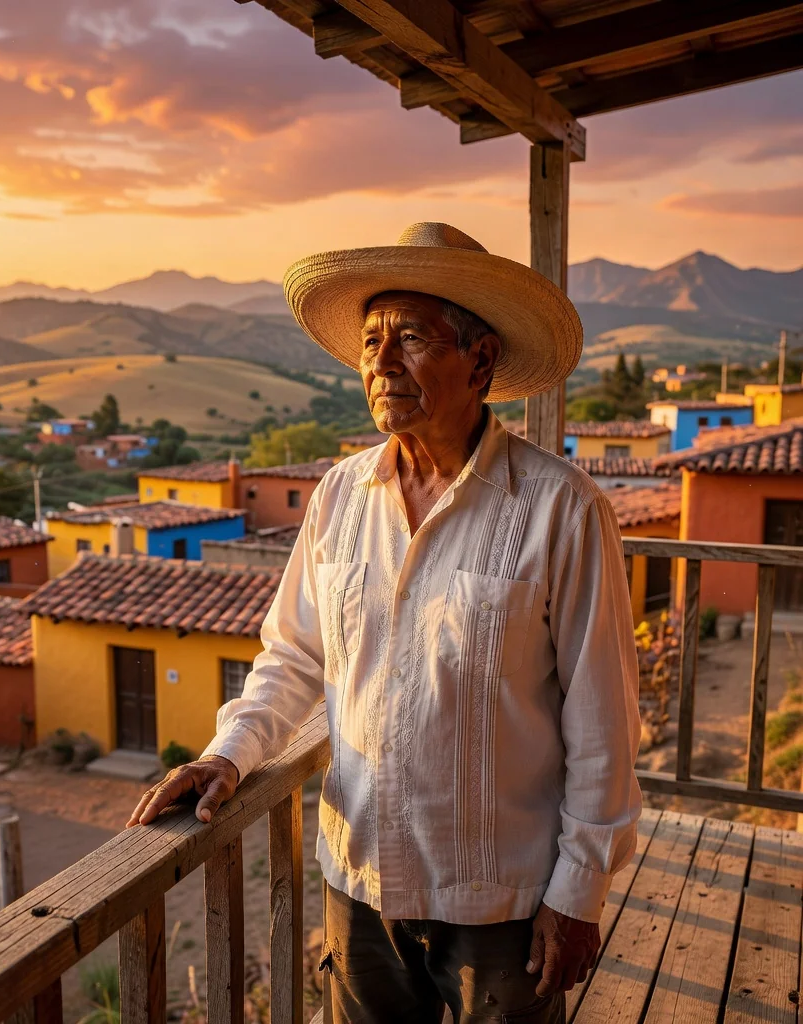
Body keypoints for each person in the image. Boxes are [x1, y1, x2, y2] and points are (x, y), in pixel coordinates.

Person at [128, 222, 641, 1024]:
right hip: (360, 883)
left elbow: (603, 721)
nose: (381, 361)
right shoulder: (338, 496)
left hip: (501, 901)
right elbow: (294, 655)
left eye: (410, 337)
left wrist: (579, 892)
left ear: (480, 361)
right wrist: (228, 755)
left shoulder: (560, 510)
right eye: (371, 341)